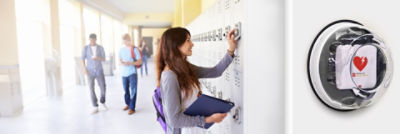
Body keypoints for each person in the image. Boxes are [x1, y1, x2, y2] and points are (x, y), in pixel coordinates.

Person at [155, 27, 238, 134]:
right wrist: (208, 119)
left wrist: (231, 49)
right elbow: (174, 120)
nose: (192, 44)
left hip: (194, 128)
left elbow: (215, 71)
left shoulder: (184, 68)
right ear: (176, 45)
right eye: (188, 40)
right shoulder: (170, 76)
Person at [81, 33, 107, 114]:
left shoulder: (100, 48)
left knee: (103, 86)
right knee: (91, 88)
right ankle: (95, 106)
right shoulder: (85, 48)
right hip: (90, 71)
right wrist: (84, 68)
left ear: (96, 39)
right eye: (90, 39)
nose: (92, 41)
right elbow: (82, 59)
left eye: (93, 39)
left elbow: (104, 59)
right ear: (89, 39)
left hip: (99, 70)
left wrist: (97, 58)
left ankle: (102, 101)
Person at [119, 34, 142, 115]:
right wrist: (122, 62)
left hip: (132, 72)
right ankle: (128, 104)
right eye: (124, 40)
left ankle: (132, 108)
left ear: (129, 40)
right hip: (124, 73)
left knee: (133, 90)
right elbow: (120, 60)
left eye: (126, 40)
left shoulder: (134, 49)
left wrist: (130, 63)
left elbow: (139, 61)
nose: (125, 42)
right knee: (126, 90)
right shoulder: (121, 50)